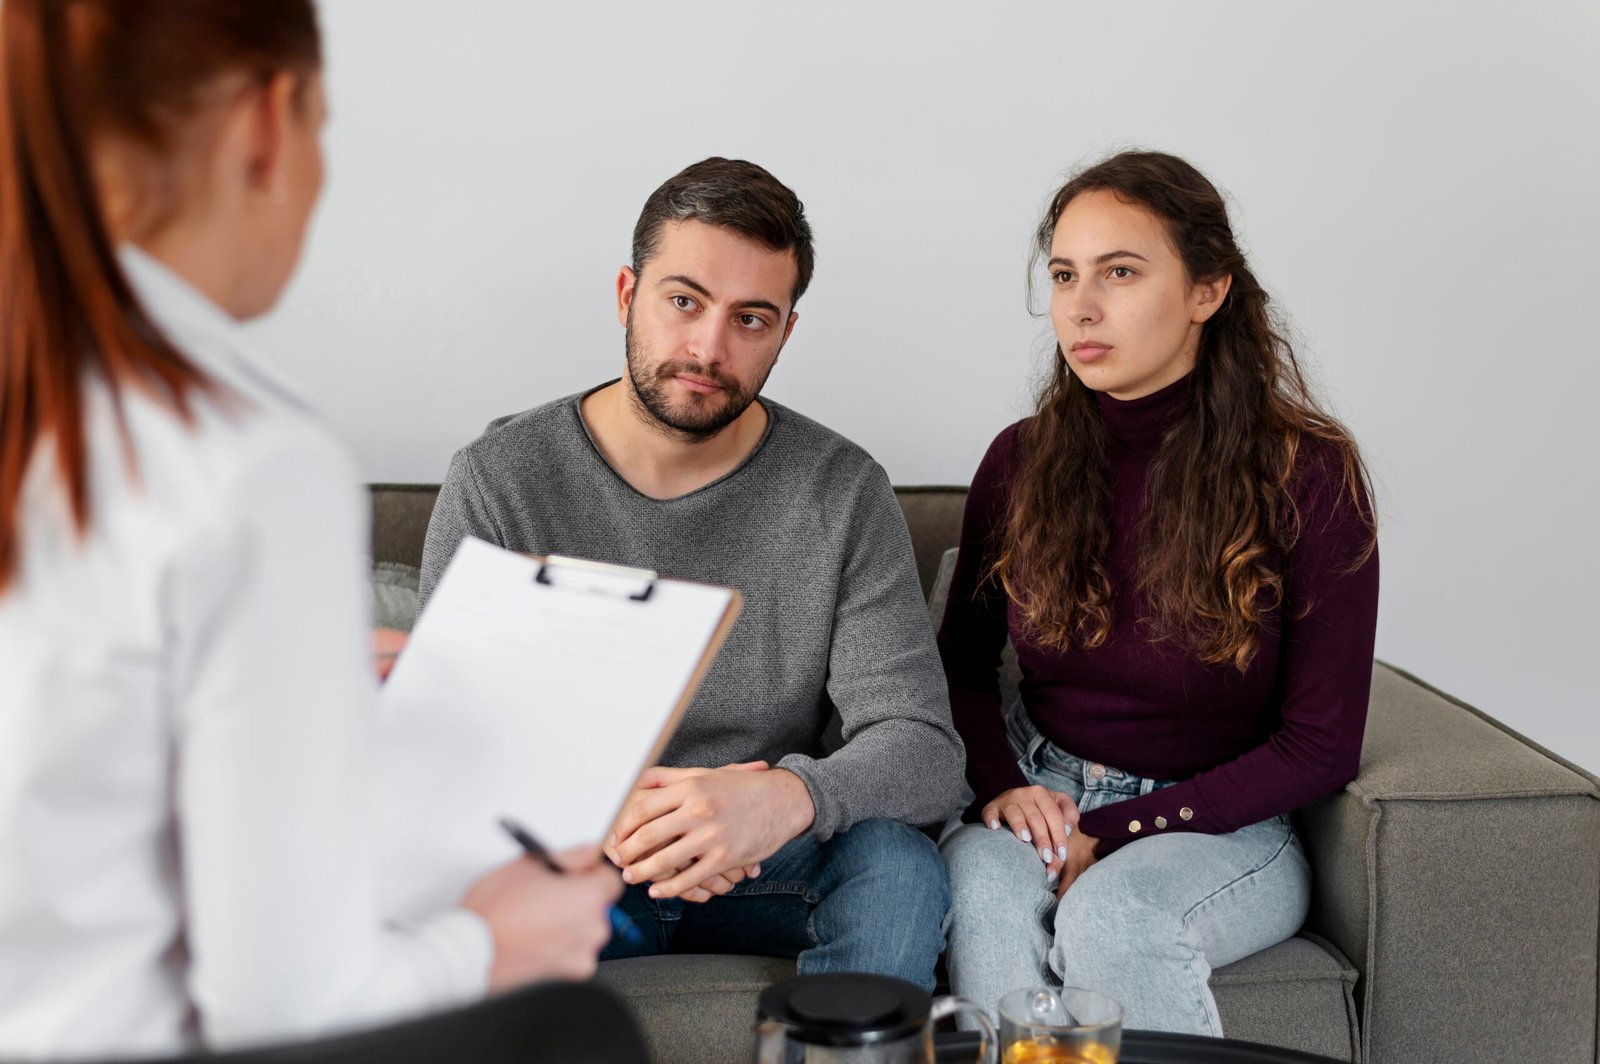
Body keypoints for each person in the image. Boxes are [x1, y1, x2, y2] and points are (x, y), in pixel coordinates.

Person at [0, 2, 622, 1058]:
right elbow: (285, 1009)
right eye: (322, 127)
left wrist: (302, 684)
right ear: (266, 121)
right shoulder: (246, 461)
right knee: (582, 1028)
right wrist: (494, 942)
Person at [419, 157, 966, 991]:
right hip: (578, 863)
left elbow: (923, 748)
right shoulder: (501, 480)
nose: (710, 349)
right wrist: (620, 815)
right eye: (684, 301)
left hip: (768, 858)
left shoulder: (843, 490)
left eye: (751, 319)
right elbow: (446, 747)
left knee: (897, 865)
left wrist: (784, 798)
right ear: (626, 295)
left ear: (785, 332)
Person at [938, 151, 1379, 1034]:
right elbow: (958, 666)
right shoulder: (1021, 459)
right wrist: (1002, 787)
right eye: (1064, 275)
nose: (1080, 306)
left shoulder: (1309, 474)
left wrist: (1127, 826)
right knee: (981, 898)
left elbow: (1321, 747)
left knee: (1116, 915)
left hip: (1218, 822)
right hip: (1038, 785)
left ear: (1208, 290)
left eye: (1120, 273)